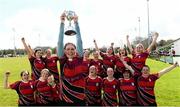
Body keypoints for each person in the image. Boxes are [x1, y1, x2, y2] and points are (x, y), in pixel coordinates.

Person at [57, 11, 86, 106]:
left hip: (79, 97)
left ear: (76, 50)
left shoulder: (79, 58)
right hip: (66, 98)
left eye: (72, 49)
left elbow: (80, 41)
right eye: (68, 49)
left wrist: (76, 23)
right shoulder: (62, 60)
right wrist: (62, 23)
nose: (70, 51)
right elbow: (59, 42)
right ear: (64, 51)